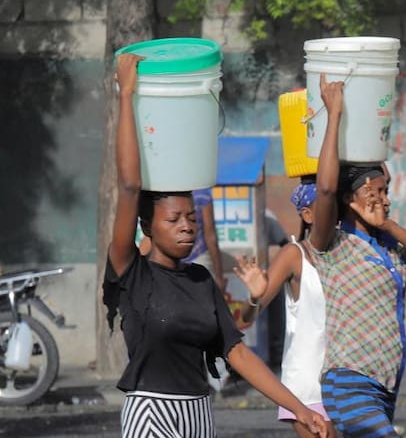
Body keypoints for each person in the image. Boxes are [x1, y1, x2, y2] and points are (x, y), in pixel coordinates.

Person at [104, 53, 328, 438]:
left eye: (192, 218)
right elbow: (128, 186)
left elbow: (237, 353)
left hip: (199, 415)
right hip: (149, 413)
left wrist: (300, 408)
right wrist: (127, 95)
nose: (187, 227)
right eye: (173, 220)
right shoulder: (131, 273)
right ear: (147, 227)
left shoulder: (200, 280)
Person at [308, 74, 406, 438]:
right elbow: (324, 188)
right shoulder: (331, 244)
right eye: (373, 192)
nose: (383, 198)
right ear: (349, 199)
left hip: (385, 387)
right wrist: (335, 114)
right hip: (349, 382)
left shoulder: (390, 245)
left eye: (386, 191)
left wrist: (390, 226)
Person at [232, 176, 336, 438]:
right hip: (309, 387)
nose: (336, 215)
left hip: (349, 381)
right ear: (307, 214)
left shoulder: (350, 254)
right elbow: (245, 320)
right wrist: (255, 296)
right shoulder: (294, 255)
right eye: (327, 207)